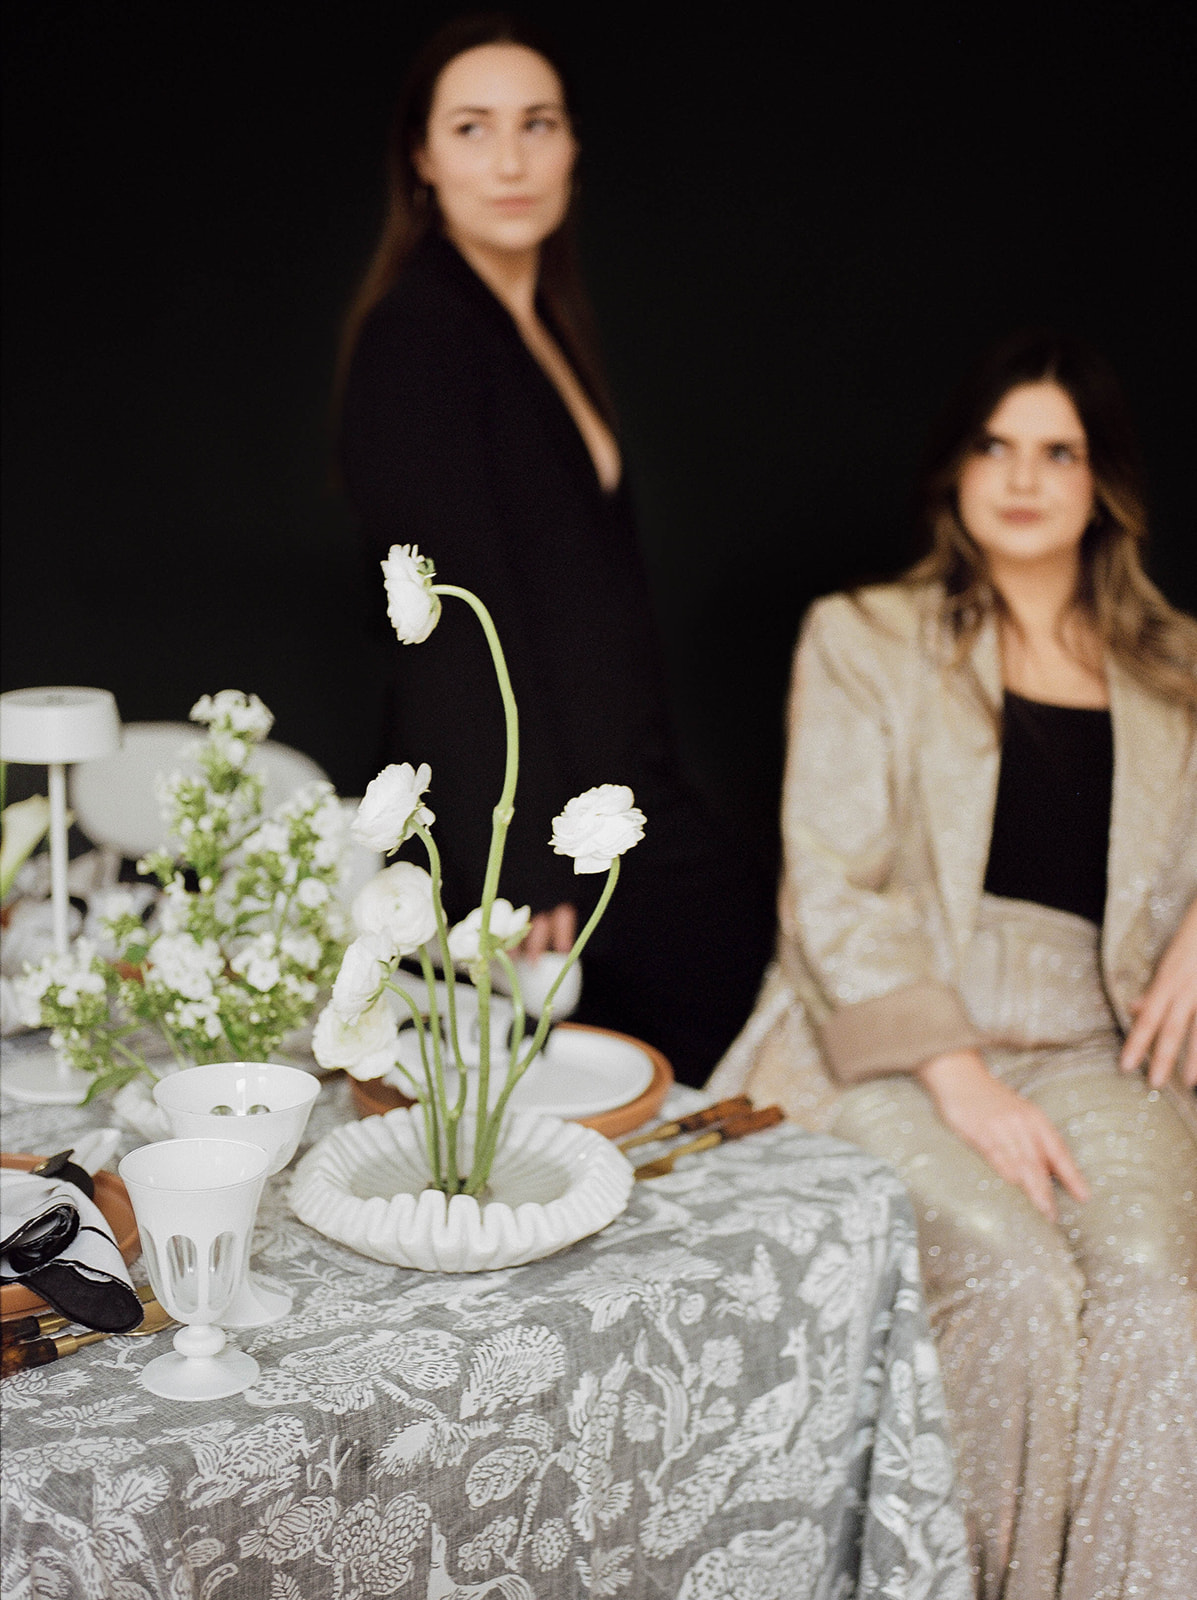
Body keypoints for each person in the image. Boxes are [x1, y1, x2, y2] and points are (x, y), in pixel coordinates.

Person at [707, 329, 1197, 1598]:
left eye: (1059, 451)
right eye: (995, 445)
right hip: (890, 1034)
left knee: (1150, 1285)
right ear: (954, 470)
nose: (1023, 477)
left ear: (1105, 482)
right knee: (1017, 1265)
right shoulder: (866, 636)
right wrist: (960, 1073)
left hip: (1104, 1039)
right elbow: (828, 883)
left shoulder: (1180, 666)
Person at [337, 14, 772, 1085]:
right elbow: (446, 619)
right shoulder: (419, 335)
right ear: (424, 159)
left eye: (539, 124)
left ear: (574, 144)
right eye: (474, 128)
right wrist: (515, 866)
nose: (513, 158)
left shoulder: (536, 322)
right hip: (533, 818)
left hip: (620, 784)